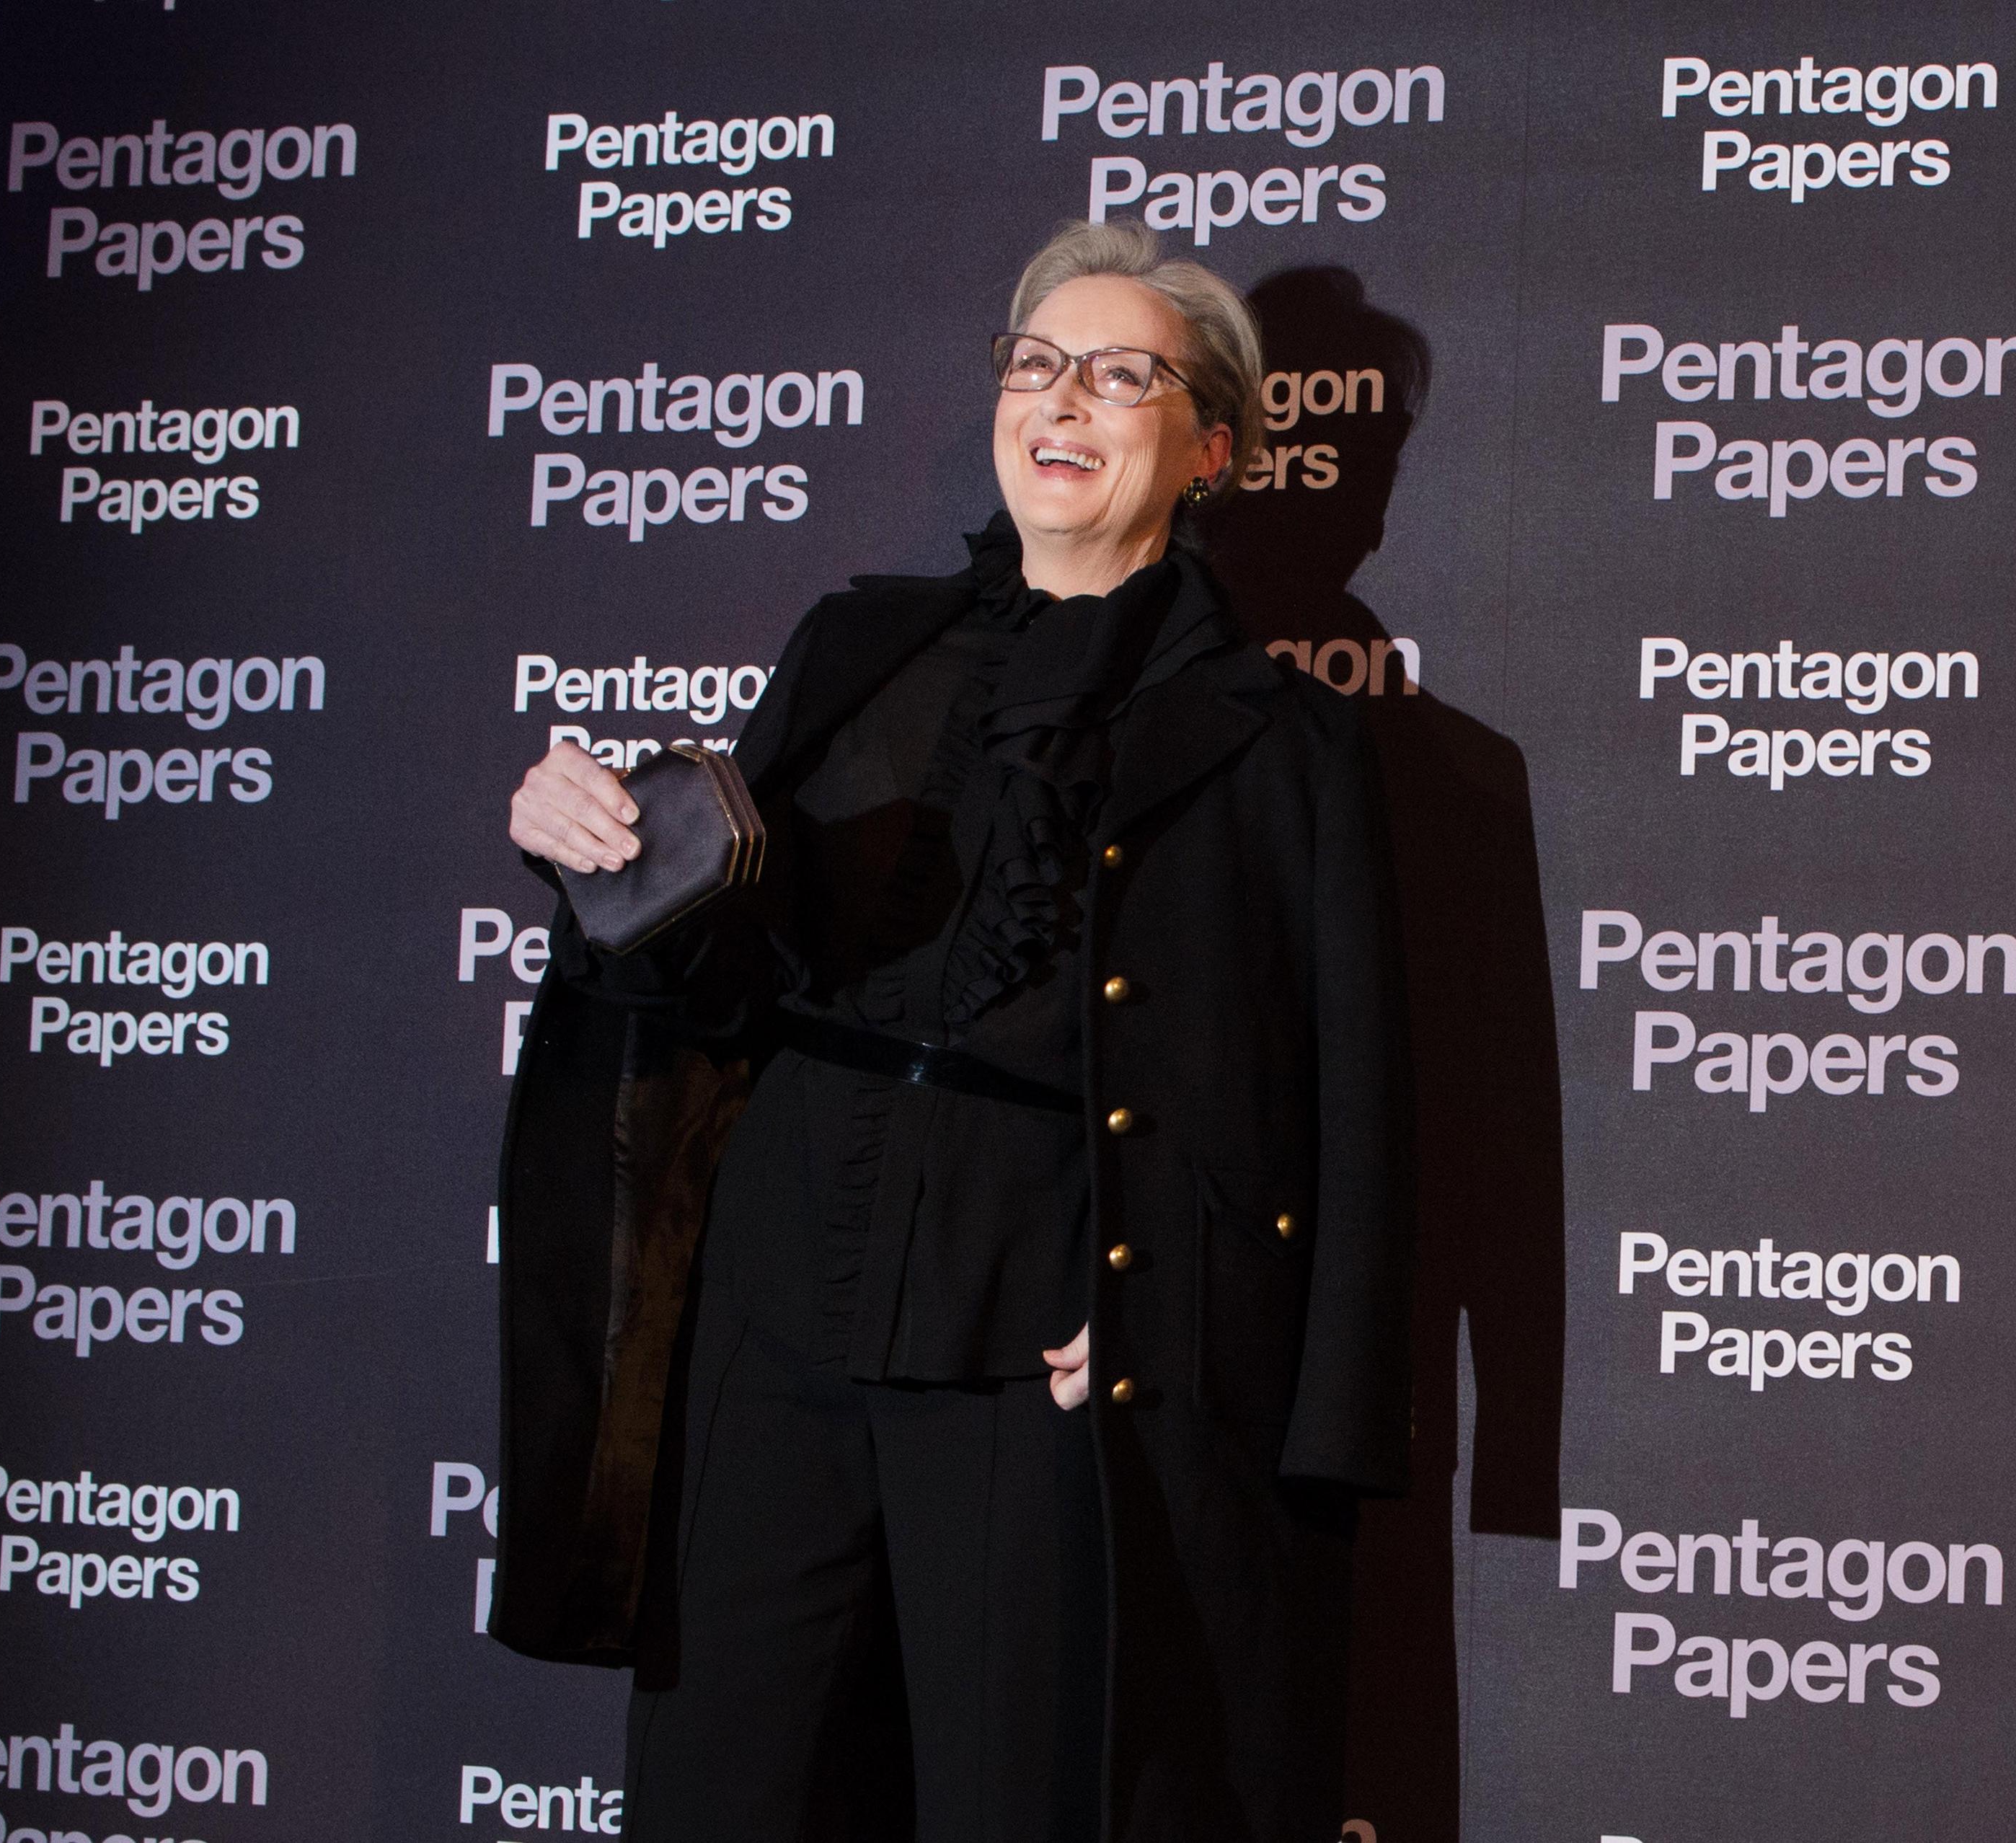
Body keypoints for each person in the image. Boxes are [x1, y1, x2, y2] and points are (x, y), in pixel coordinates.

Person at [490, 219, 1415, 1843]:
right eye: (1036, 362)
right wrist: (600, 856)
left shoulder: (1287, 743)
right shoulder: (858, 649)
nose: (1061, 398)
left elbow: (1341, 1112)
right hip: (778, 1286)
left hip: (1034, 1329)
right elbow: (727, 977)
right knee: (728, 1789)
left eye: (1119, 374)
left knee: (1015, 1796)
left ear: (1212, 447)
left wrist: (1180, 1322)